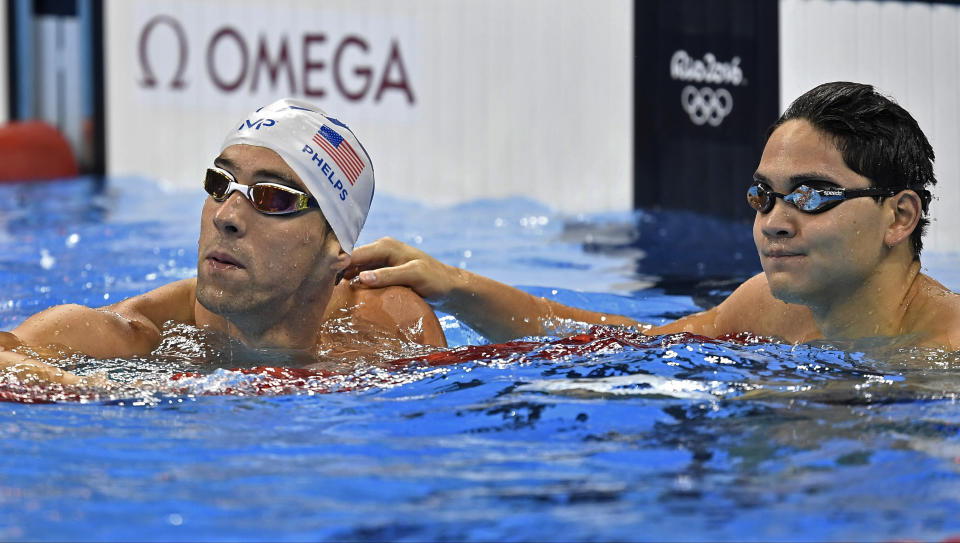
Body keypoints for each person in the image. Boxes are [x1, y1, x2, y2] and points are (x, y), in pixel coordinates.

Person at [346, 82, 960, 350]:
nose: (775, 221)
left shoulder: (948, 357)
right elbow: (613, 344)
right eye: (764, 196)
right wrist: (453, 284)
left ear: (899, 217)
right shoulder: (772, 311)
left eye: (811, 195)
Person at [0, 98, 445, 386]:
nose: (227, 216)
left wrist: (458, 284)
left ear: (336, 250)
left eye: (271, 197)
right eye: (220, 183)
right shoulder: (129, 338)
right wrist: (107, 391)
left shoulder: (391, 326)